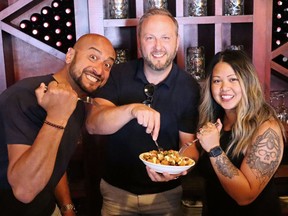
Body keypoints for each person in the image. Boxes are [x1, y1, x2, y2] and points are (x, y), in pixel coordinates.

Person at [86, 8, 200, 216]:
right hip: (116, 194)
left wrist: (178, 171)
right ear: (139, 42)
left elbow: (188, 146)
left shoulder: (189, 87)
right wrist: (131, 109)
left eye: (165, 37)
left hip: (166, 196)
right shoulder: (118, 75)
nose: (158, 46)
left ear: (176, 41)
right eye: (150, 38)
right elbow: (93, 124)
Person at [0, 33, 116, 216]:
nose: (100, 70)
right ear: (70, 56)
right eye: (93, 57)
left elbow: (54, 157)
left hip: (48, 208)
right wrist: (56, 116)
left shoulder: (76, 102)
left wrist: (66, 206)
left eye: (108, 64)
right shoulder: (23, 96)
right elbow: (24, 191)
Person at [195, 49, 286, 216]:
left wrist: (214, 149)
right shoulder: (215, 120)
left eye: (233, 79)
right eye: (217, 81)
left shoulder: (267, 128)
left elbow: (245, 196)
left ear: (248, 81)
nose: (224, 88)